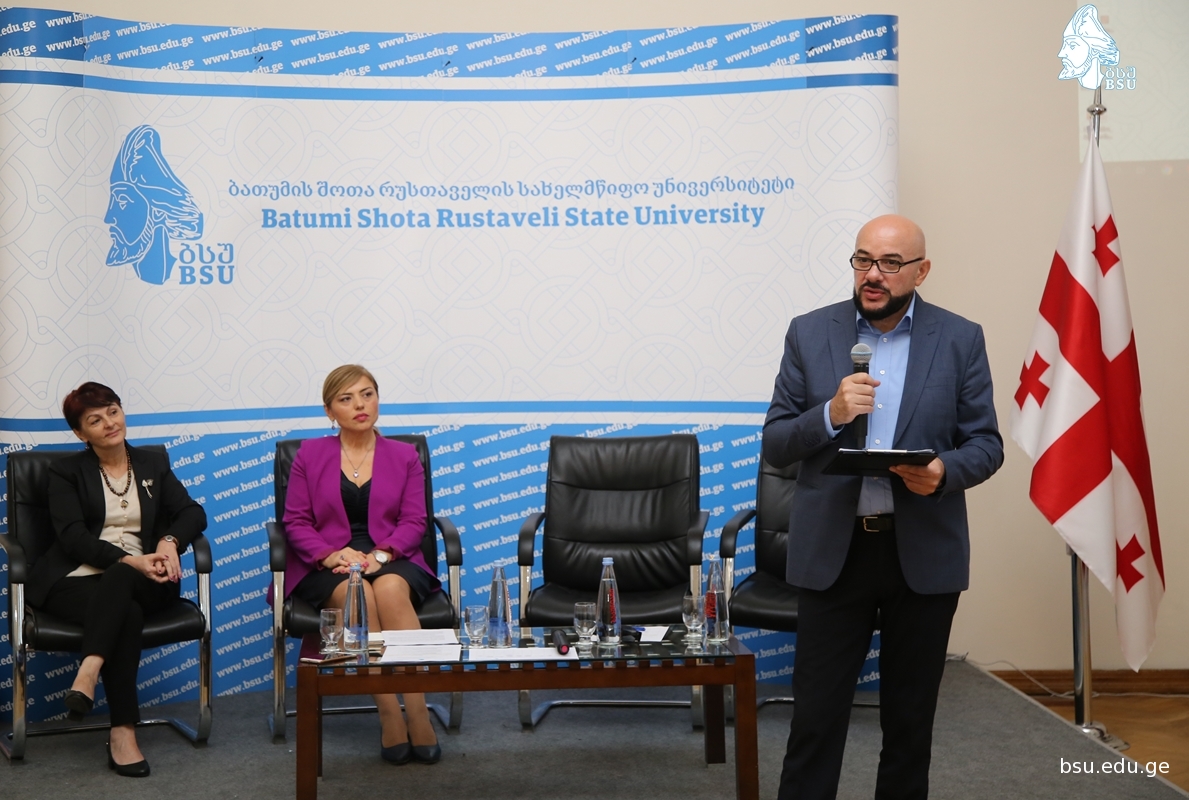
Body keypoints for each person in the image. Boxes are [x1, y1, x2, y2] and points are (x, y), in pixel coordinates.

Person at [763, 215, 1003, 799]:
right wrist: (831, 413)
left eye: (891, 264)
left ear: (921, 271)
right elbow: (776, 442)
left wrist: (943, 472)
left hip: (921, 550)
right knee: (815, 720)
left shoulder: (960, 338)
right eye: (863, 260)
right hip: (834, 551)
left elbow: (986, 445)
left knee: (909, 722)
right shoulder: (810, 332)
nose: (873, 275)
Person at [26, 382, 207, 778]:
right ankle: (123, 733)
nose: (109, 423)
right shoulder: (66, 472)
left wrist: (169, 541)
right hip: (76, 579)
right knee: (125, 609)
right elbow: (72, 537)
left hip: (148, 578)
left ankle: (89, 670)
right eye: (95, 420)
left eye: (113, 411)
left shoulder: (152, 464)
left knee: (123, 584)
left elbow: (193, 513)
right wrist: (128, 561)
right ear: (81, 433)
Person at [282, 364, 442, 765]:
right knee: (361, 596)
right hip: (326, 562)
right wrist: (332, 554)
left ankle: (418, 711)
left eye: (367, 394)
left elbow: (415, 521)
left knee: (388, 589)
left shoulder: (404, 456)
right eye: (346, 398)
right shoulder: (309, 454)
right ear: (329, 411)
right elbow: (295, 522)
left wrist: (381, 555)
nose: (360, 405)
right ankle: (389, 712)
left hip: (393, 555)